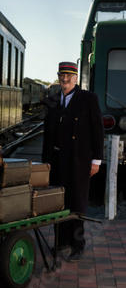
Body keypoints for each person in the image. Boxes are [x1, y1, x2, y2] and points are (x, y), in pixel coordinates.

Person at [42, 61, 104, 262]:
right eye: (62, 75)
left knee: (76, 202)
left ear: (76, 78)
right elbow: (48, 136)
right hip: (57, 160)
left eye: (69, 76)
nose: (65, 79)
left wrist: (96, 160)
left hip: (80, 161)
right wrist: (45, 164)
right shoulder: (52, 100)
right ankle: (61, 242)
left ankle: (77, 245)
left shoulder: (88, 99)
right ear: (58, 76)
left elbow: (98, 131)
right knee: (57, 202)